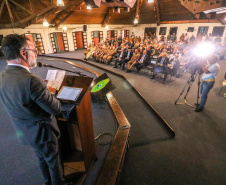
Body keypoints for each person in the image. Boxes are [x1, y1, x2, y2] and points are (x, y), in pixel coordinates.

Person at [0, 34, 66, 185]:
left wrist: (37, 91)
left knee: (41, 157)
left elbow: (18, 96)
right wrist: (47, 91)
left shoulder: (2, 76)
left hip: (25, 131)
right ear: (23, 53)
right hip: (43, 133)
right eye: (34, 50)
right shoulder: (32, 81)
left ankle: (46, 182)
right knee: (53, 162)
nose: (36, 54)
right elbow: (56, 109)